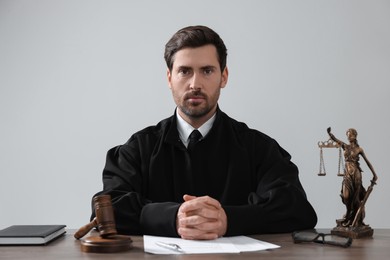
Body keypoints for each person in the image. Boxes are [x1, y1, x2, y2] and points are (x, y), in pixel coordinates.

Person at [91, 25, 317, 240]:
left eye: (207, 71)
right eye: (184, 71)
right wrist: (173, 218)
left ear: (224, 76)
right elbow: (107, 210)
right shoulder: (138, 149)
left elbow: (295, 207)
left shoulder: (260, 148)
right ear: (170, 78)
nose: (195, 83)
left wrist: (228, 219)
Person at [327, 127, 377, 227]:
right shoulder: (345, 146)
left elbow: (367, 162)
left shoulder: (359, 149)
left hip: (356, 174)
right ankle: (348, 215)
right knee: (346, 196)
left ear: (355, 136)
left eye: (350, 135)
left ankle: (356, 219)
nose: (349, 137)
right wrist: (330, 134)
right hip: (347, 174)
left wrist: (374, 174)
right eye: (347, 135)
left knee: (356, 198)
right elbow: (336, 140)